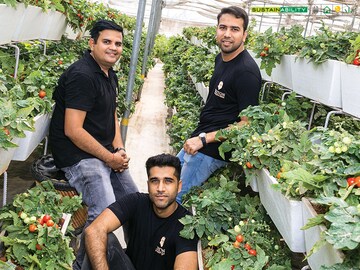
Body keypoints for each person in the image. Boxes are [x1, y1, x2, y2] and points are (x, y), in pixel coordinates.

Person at [49, 20, 138, 269]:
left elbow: (111, 114)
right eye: (106, 42)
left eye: (118, 43)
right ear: (92, 44)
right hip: (77, 155)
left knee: (136, 201)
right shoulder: (82, 75)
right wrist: (109, 159)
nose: (113, 48)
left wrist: (118, 149)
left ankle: (136, 256)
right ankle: (83, 266)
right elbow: (73, 130)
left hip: (100, 151)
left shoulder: (109, 73)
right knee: (104, 210)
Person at [176, 6, 262, 202]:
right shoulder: (221, 59)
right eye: (223, 27)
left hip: (212, 150)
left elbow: (247, 124)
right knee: (165, 184)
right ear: (216, 30)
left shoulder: (246, 72)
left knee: (174, 199)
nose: (227, 34)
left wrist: (204, 139)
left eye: (234, 29)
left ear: (244, 35)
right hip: (200, 138)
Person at [82, 153, 199, 270]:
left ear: (178, 186)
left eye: (168, 181)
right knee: (102, 241)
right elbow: (93, 230)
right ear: (148, 184)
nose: (160, 188)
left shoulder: (186, 225)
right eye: (154, 181)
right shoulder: (136, 202)